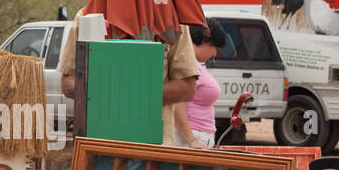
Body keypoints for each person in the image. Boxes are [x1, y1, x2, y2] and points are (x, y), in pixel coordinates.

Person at [59, 10, 199, 147]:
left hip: (153, 146)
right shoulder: (87, 14)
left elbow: (187, 88)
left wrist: (124, 98)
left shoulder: (170, 17)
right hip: (97, 143)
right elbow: (68, 84)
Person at [176, 20, 226, 148]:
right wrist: (191, 140)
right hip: (189, 138)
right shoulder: (187, 63)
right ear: (205, 42)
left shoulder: (193, 63)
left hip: (196, 136)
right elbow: (176, 102)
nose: (215, 54)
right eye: (215, 48)